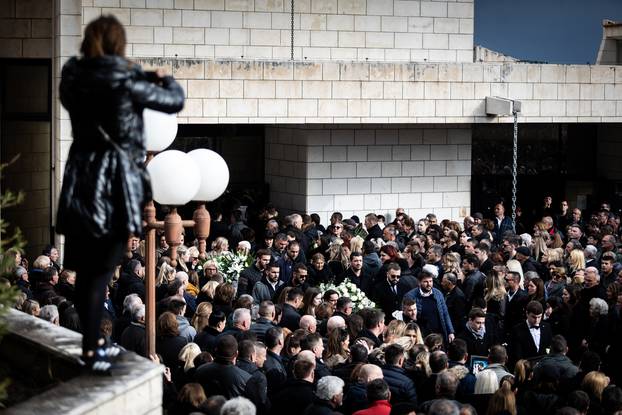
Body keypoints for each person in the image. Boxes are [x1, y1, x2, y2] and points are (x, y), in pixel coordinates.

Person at [57, 15, 184, 373]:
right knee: (102, 270)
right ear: (119, 43)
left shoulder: (73, 75)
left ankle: (91, 344)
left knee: (86, 272)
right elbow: (174, 99)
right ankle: (93, 351)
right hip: (115, 184)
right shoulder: (127, 79)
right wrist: (161, 76)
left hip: (81, 181)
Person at [404, 270, 455, 343]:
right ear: (419, 283)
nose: (429, 284)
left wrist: (450, 331)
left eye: (431, 281)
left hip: (438, 334)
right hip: (421, 335)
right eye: (425, 282)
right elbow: (406, 316)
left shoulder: (438, 293)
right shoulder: (410, 296)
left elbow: (445, 313)